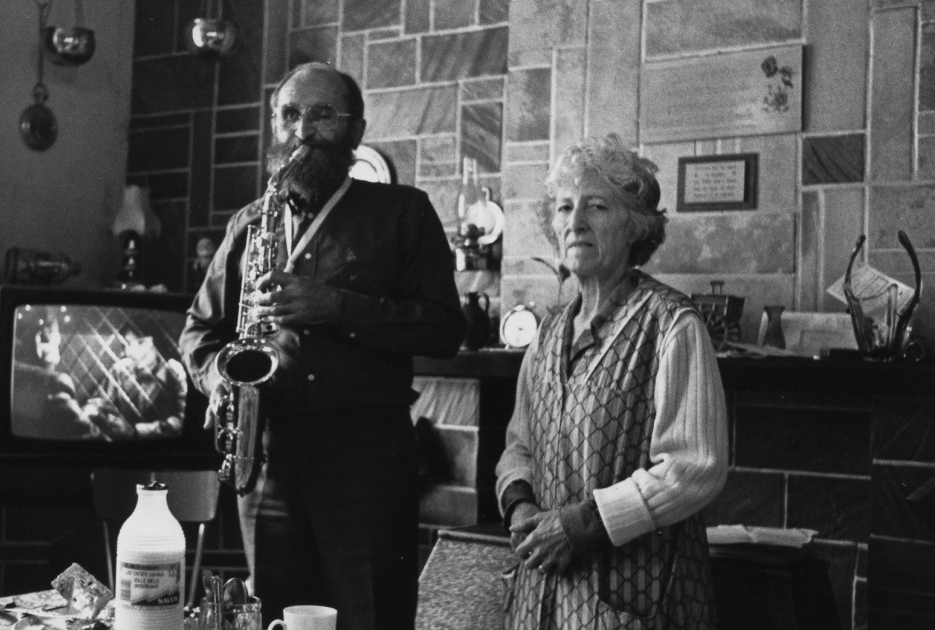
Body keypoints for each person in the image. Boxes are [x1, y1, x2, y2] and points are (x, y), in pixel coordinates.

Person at [179, 62, 466, 630]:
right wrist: (219, 381)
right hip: (267, 460)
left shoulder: (403, 212)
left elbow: (444, 331)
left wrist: (337, 306)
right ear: (274, 126)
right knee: (275, 617)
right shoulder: (248, 223)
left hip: (365, 462)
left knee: (371, 617)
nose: (302, 130)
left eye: (321, 115)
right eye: (289, 115)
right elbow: (199, 331)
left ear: (356, 130)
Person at [495, 134, 729, 628]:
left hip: (637, 597)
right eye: (564, 208)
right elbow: (519, 446)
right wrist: (519, 509)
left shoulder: (672, 324)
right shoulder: (547, 334)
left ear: (635, 226)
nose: (575, 222)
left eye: (596, 206)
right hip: (543, 598)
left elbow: (694, 467)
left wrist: (583, 525)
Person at [84, 326, 187, 440]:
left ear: (156, 343)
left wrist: (136, 431)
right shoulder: (121, 368)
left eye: (141, 343)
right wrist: (91, 412)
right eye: (127, 344)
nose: (130, 351)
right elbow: (99, 400)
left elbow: (182, 421)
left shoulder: (174, 372)